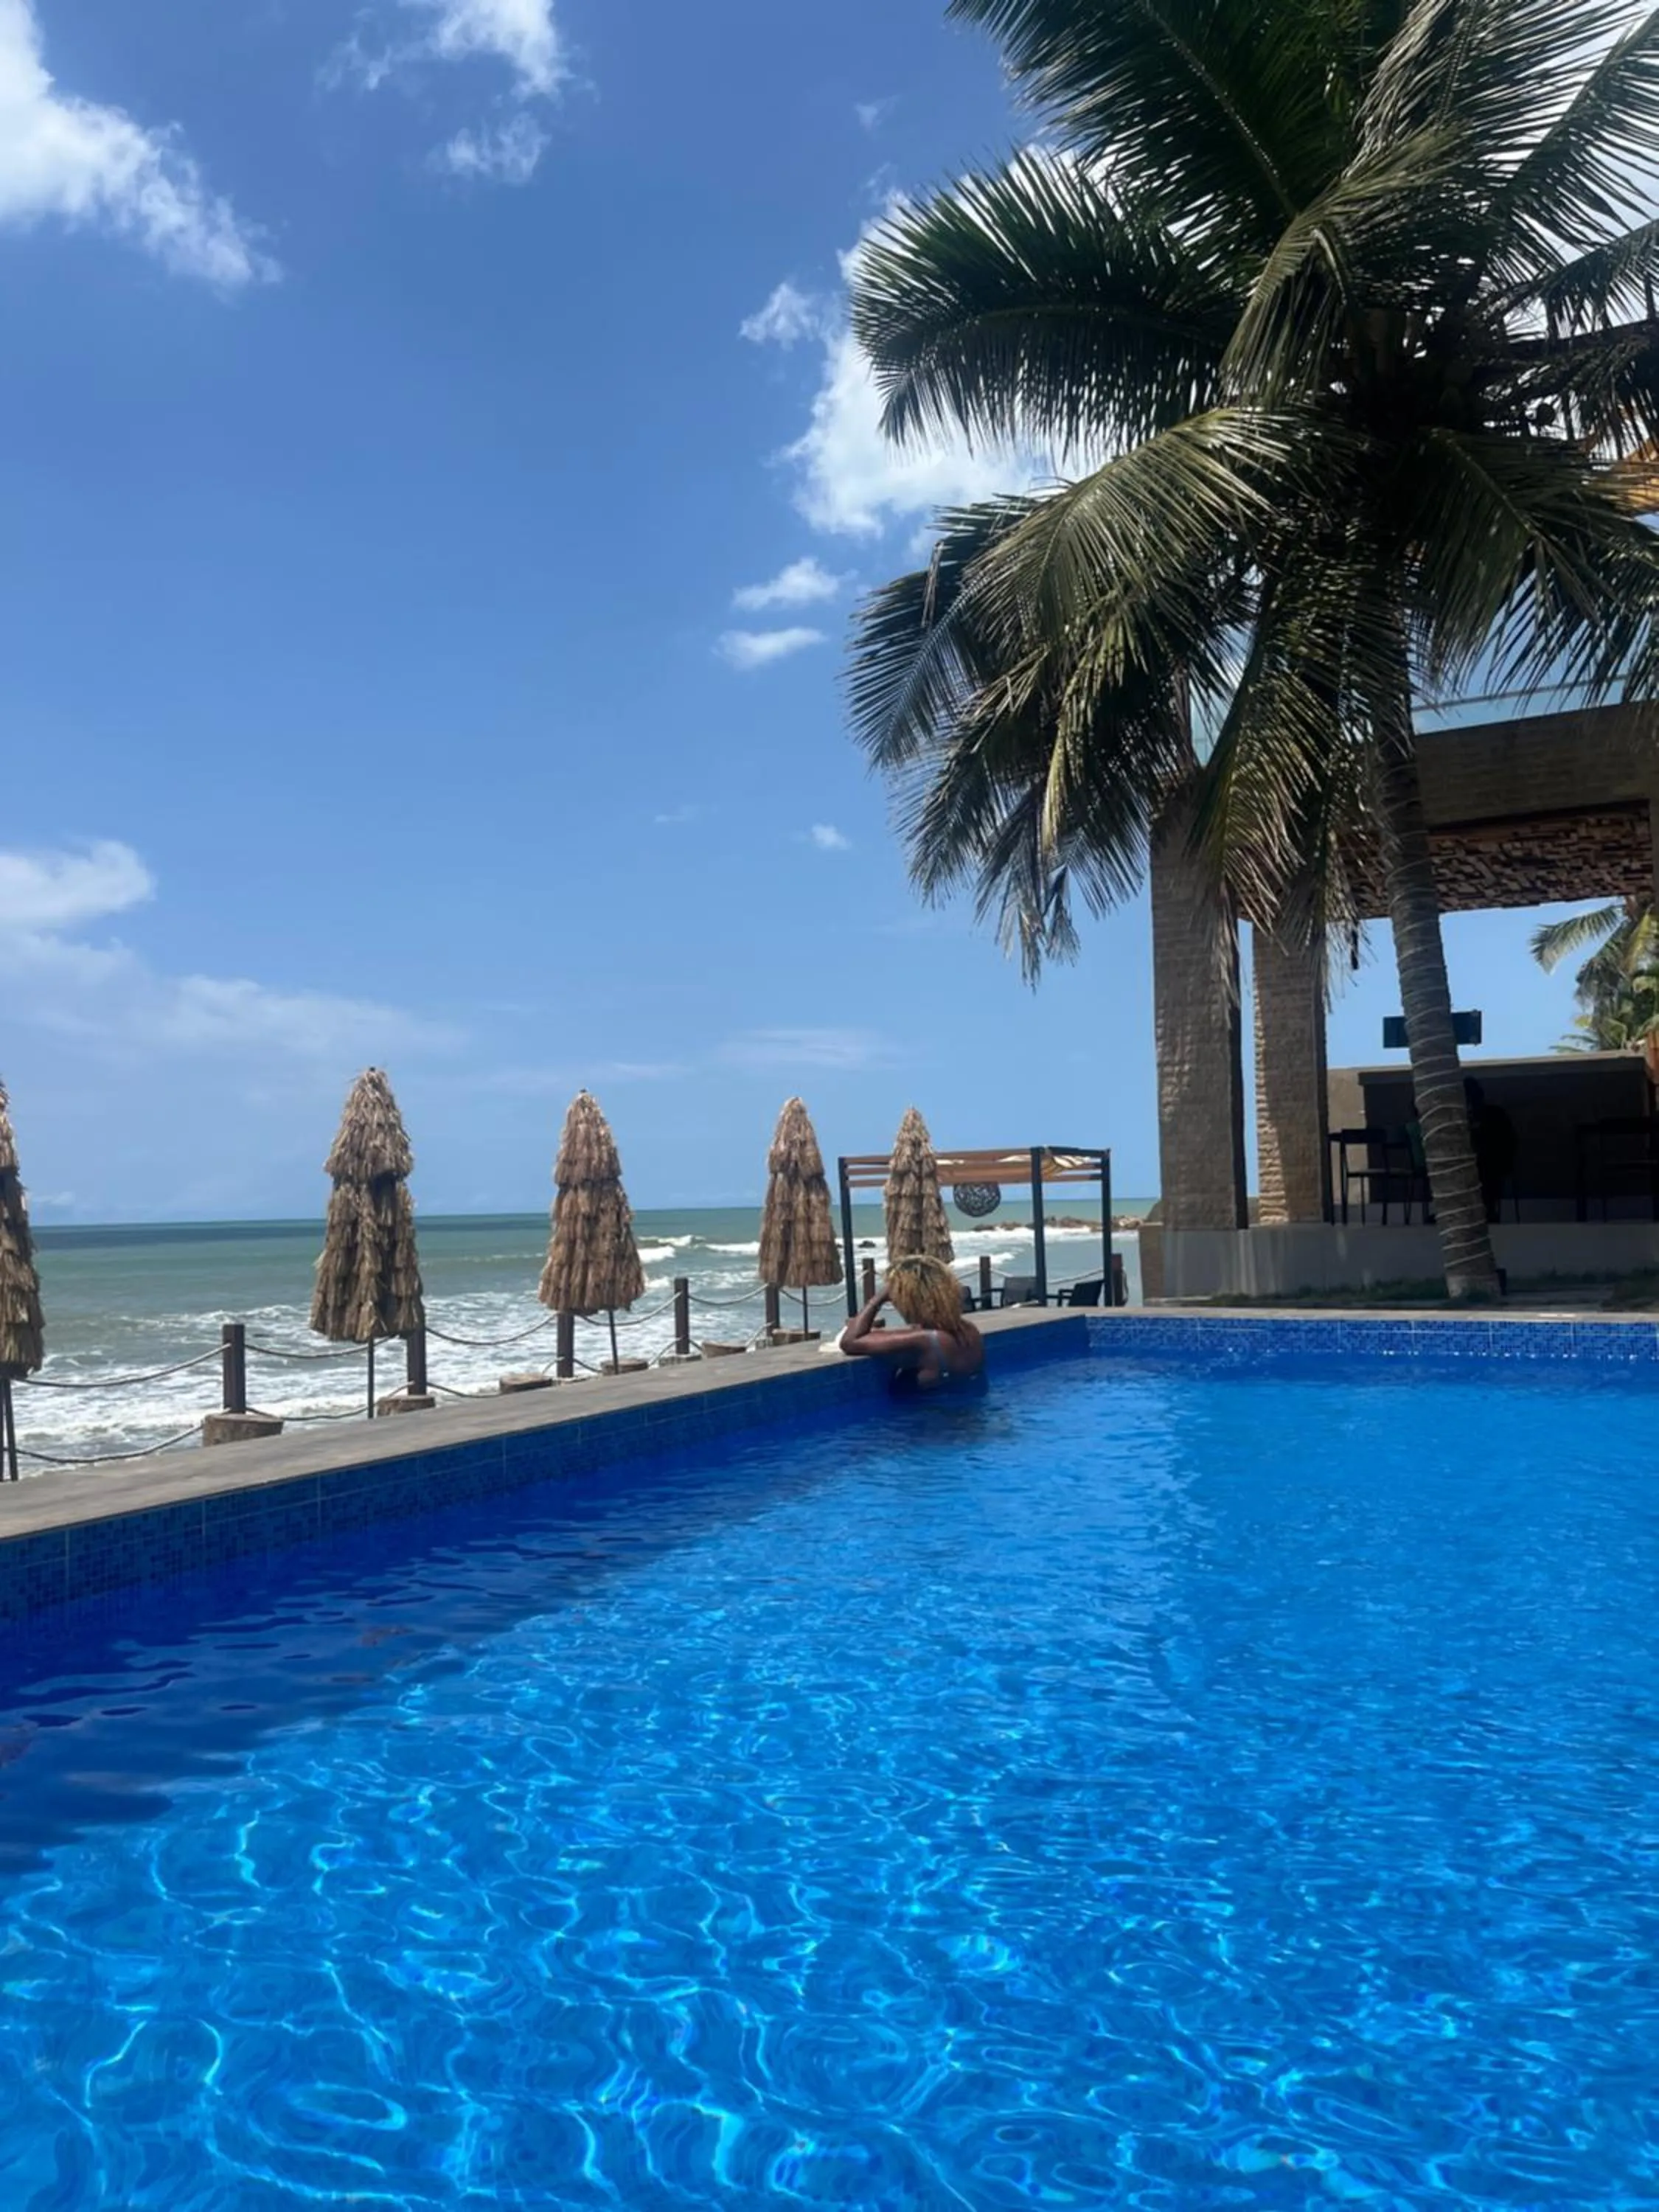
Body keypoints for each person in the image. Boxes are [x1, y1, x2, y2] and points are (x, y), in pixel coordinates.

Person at [838, 1253, 985, 1389]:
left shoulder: (926, 1341)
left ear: (910, 1298)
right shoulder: (970, 1330)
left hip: (927, 1409)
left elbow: (850, 1341)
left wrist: (878, 1299)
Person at [1464, 1077, 1518, 1223]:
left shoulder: (1494, 1114)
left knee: (1483, 1168)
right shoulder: (1465, 1118)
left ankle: (1485, 1210)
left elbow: (1504, 1144)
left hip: (1494, 1162)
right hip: (1478, 1162)